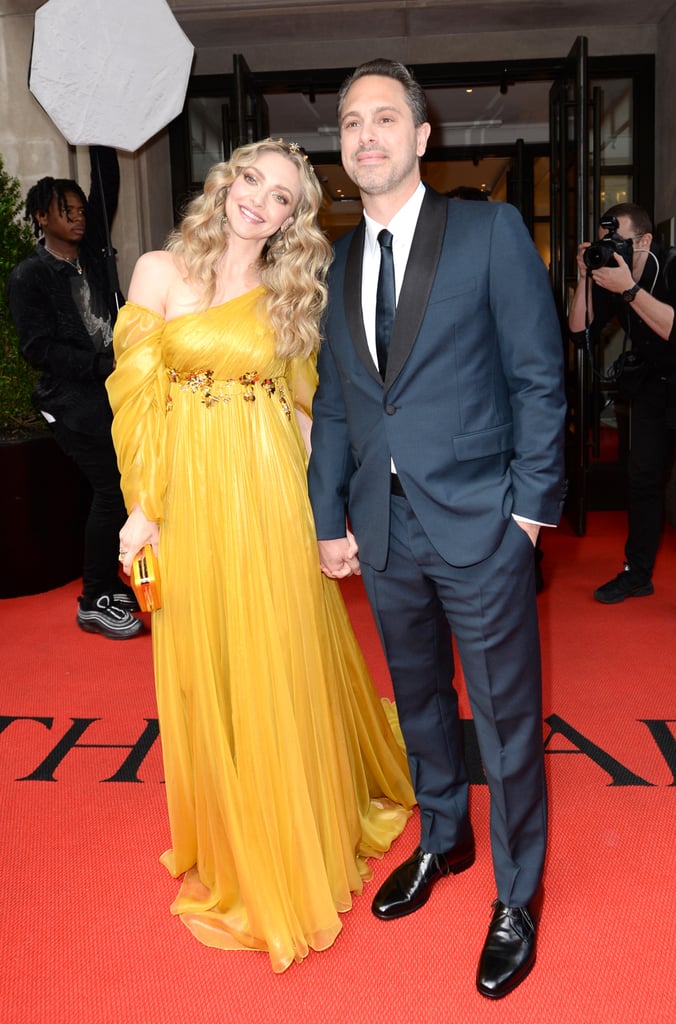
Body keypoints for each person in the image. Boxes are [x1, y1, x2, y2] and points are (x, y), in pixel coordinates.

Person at [105, 138, 415, 973]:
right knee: (214, 664)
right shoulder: (158, 271)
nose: (260, 202)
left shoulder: (291, 294)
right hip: (189, 500)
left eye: (282, 197)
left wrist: (334, 514)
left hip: (272, 491)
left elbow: (310, 412)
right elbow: (134, 403)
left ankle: (293, 829)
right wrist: (142, 511)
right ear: (227, 183)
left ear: (292, 220)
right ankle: (238, 836)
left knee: (279, 656)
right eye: (253, 181)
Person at [307, 60, 566, 999]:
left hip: (484, 525)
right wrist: (328, 513)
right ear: (340, 148)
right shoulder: (339, 265)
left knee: (504, 720)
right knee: (420, 707)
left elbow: (540, 379)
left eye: (384, 118)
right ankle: (442, 839)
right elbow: (340, 405)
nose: (365, 134)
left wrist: (530, 515)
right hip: (382, 532)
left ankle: (517, 894)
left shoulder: (489, 232)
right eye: (349, 122)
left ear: (423, 137)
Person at [8, 147, 142, 640]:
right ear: (42, 216)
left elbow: (105, 182)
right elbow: (36, 347)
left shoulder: (95, 257)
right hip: (71, 404)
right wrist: (100, 364)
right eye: (67, 210)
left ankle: (111, 583)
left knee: (123, 491)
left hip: (117, 395)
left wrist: (99, 138)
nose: (79, 217)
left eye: (82, 210)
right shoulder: (30, 275)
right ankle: (94, 598)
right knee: (112, 492)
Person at [568, 203, 676, 602]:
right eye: (605, 240)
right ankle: (637, 572)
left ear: (645, 241)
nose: (611, 248)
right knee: (643, 480)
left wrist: (628, 290)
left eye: (619, 241)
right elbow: (580, 333)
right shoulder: (614, 274)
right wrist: (585, 279)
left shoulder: (670, 267)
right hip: (651, 387)